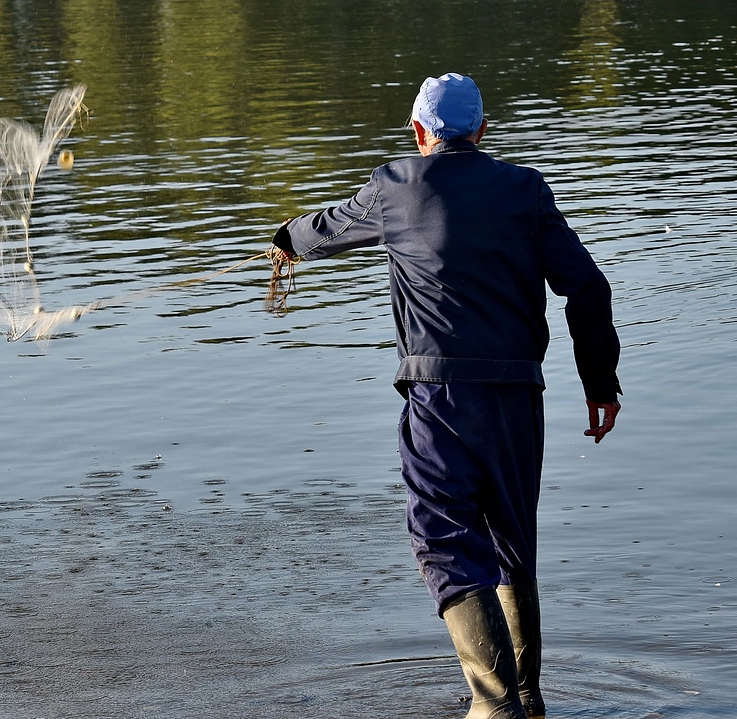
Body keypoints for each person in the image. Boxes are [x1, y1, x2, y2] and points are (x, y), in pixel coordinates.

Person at [272, 73, 621, 719]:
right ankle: (527, 698)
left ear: (418, 130)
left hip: (441, 395)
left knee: (443, 536)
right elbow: (589, 288)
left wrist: (285, 237)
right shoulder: (526, 189)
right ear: (482, 131)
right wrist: (600, 383)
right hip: (520, 394)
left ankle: (494, 705)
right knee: (513, 539)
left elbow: (325, 230)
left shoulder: (396, 184)